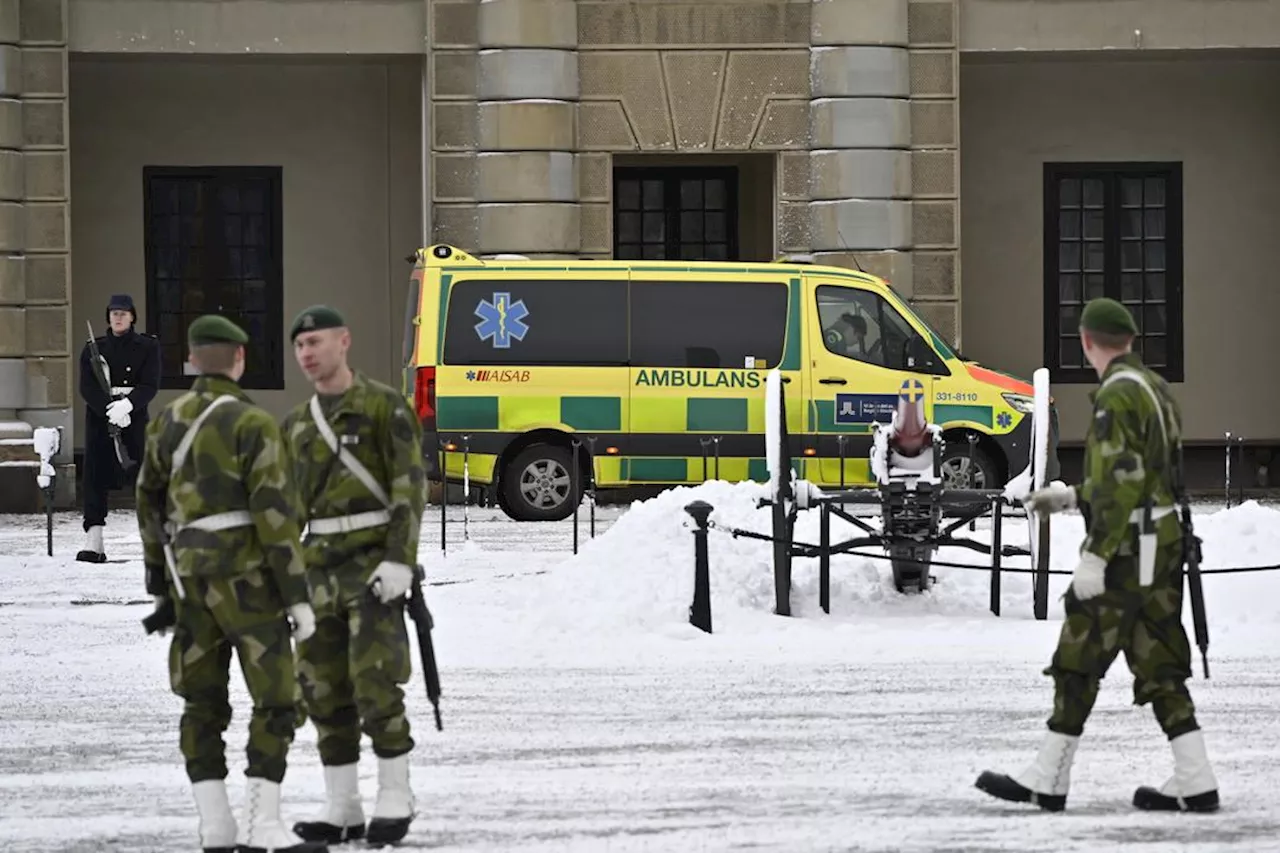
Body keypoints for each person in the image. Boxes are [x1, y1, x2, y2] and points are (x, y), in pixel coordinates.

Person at [975, 297, 1219, 813]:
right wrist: (1074, 497)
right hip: (1162, 544)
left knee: (1077, 656)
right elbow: (1146, 475)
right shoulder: (1155, 389)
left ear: (1087, 341)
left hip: (1128, 550)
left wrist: (1096, 555)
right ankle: (1195, 776)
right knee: (1158, 662)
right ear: (1129, 340)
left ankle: (1049, 776)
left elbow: (1123, 480)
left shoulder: (1115, 395)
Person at [135, 314, 327, 853]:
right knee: (277, 701)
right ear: (239, 360)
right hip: (251, 586)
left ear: (193, 360)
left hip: (189, 584)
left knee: (201, 705)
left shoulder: (166, 421)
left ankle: (215, 827)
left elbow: (147, 503)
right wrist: (297, 595)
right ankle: (263, 824)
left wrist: (159, 579)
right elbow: (277, 517)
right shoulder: (253, 424)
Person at [281, 305, 427, 846]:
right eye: (299, 347)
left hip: (371, 568)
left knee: (375, 681)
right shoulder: (296, 425)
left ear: (344, 341)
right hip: (318, 570)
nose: (307, 354)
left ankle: (396, 793)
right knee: (321, 688)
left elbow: (410, 488)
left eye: (315, 342)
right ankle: (342, 805)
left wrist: (400, 559)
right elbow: (286, 510)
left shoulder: (383, 407)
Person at [76, 293, 160, 562]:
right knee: (95, 475)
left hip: (133, 417)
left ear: (132, 316)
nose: (118, 317)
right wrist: (108, 409)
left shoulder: (148, 347)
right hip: (101, 419)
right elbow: (87, 386)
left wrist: (128, 406)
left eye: (123, 312)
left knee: (143, 475)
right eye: (114, 312)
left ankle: (153, 538)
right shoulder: (93, 349)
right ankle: (94, 540)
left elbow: (150, 384)